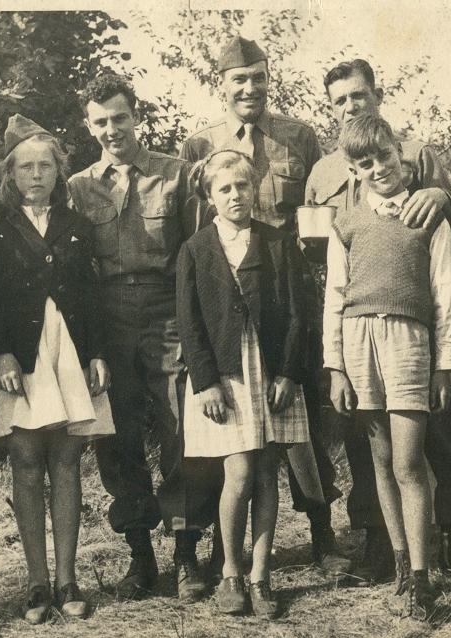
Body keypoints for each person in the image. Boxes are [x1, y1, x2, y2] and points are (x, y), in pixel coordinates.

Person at [305, 59, 451, 584]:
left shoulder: (415, 151)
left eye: (358, 95)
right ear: (331, 108)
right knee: (372, 449)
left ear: (376, 94)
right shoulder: (324, 171)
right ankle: (389, 551)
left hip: (412, 325)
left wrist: (443, 197)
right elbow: (328, 258)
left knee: (431, 438)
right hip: (360, 326)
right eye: (339, 100)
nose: (350, 105)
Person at [180, 35, 351, 576]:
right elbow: (196, 234)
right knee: (227, 438)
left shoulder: (298, 136)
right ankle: (215, 550)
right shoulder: (198, 143)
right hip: (226, 299)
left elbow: (323, 207)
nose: (249, 88)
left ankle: (321, 531)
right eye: (238, 80)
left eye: (258, 77)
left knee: (299, 423)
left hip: (284, 292)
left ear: (267, 79)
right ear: (222, 85)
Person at [68, 73, 210, 603]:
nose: (111, 130)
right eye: (100, 122)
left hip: (165, 308)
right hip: (106, 314)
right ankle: (139, 554)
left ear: (136, 116)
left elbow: (197, 254)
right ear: (89, 126)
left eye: (120, 118)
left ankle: (187, 551)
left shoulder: (176, 176)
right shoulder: (78, 187)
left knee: (180, 426)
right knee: (116, 434)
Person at [0, 115, 115, 623]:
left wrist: (97, 352)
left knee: (66, 461)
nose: (36, 175)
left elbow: (92, 297)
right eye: (26, 167)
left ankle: (68, 580)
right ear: (10, 174)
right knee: (27, 462)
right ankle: (37, 583)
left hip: (68, 354)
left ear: (60, 172)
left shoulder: (76, 226)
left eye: (46, 166)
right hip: (19, 357)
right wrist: (1, 354)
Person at [325, 115, 451, 620]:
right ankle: (403, 566)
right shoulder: (347, 222)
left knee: (409, 462)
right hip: (360, 342)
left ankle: (425, 575)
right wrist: (334, 366)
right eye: (366, 163)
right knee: (381, 460)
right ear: (353, 170)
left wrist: (445, 364)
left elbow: (444, 296)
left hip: (409, 340)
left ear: (399, 154)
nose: (379, 168)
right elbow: (333, 299)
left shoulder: (429, 216)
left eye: (385, 156)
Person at [177, 150, 309, 618]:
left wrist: (290, 372)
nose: (236, 196)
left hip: (270, 372)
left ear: (255, 189)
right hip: (226, 376)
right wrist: (205, 383)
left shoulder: (277, 243)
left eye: (243, 186)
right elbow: (190, 324)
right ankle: (231, 570)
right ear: (210, 197)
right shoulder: (195, 249)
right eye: (225, 189)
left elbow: (298, 314)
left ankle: (260, 575)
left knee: (268, 472)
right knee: (239, 473)